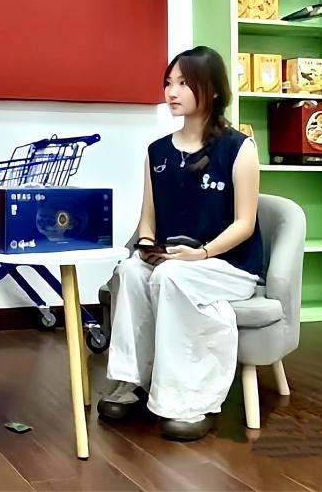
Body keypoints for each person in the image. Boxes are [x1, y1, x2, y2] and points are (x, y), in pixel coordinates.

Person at [98, 45, 263, 441]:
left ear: (213, 90)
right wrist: (147, 246)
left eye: (184, 84)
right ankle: (133, 381)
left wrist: (201, 254)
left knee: (171, 277)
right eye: (168, 83)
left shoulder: (239, 148)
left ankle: (187, 400)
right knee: (131, 271)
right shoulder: (156, 152)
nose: (171, 92)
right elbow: (148, 218)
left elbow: (244, 224)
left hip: (228, 265)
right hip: (174, 259)